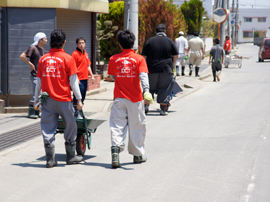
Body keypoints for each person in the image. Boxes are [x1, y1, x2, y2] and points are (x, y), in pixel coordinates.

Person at [34, 29, 84, 168]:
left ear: (50, 42)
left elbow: (38, 81)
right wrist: (79, 99)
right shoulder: (68, 58)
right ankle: (71, 156)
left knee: (47, 127)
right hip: (64, 100)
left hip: (47, 100)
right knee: (71, 125)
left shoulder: (43, 59)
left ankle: (50, 159)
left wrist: (36, 100)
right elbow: (74, 82)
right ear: (64, 43)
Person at [108, 29, 153, 168]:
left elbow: (112, 76)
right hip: (135, 99)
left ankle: (115, 151)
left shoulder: (113, 59)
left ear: (120, 44)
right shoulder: (139, 59)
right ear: (134, 43)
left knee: (117, 126)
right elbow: (144, 76)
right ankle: (138, 155)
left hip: (119, 98)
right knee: (137, 126)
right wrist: (147, 91)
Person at [142, 23, 178, 116]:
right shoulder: (169, 41)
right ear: (165, 31)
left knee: (149, 88)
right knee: (165, 89)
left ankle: (146, 107)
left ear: (156, 31)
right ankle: (162, 110)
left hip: (151, 69)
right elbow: (176, 55)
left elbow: (144, 56)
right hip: (166, 70)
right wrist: (172, 64)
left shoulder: (150, 41)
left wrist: (145, 67)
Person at [20, 32, 47, 119]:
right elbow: (22, 56)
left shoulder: (42, 49)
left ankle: (36, 111)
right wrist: (31, 64)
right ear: (40, 40)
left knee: (40, 93)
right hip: (35, 75)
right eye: (45, 39)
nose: (46, 40)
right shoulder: (33, 48)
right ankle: (31, 111)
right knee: (36, 92)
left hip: (41, 75)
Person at [71, 37, 95, 118]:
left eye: (83, 43)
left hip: (85, 78)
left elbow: (88, 65)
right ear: (76, 44)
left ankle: (79, 111)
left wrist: (91, 75)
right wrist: (76, 78)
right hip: (78, 79)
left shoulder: (85, 53)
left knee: (83, 96)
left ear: (85, 44)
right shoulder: (74, 54)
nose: (81, 44)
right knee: (77, 96)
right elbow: (73, 67)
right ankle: (75, 112)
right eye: (80, 43)